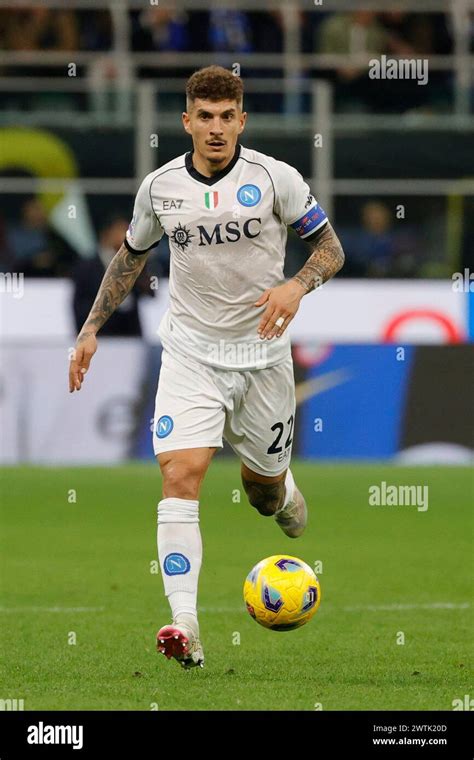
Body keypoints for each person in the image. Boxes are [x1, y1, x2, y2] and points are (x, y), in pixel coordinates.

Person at [68, 65, 344, 669]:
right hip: (190, 354)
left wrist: (296, 286)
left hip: (263, 359)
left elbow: (330, 248)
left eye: (227, 117)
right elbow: (129, 259)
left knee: (263, 495)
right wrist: (90, 329)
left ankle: (283, 488)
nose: (216, 128)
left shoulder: (278, 179)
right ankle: (184, 625)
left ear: (241, 120)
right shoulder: (160, 188)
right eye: (205, 117)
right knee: (182, 473)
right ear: (186, 120)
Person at [72, 216, 154, 337]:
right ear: (107, 234)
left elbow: (150, 293)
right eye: (122, 231)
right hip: (101, 335)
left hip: (131, 334)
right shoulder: (87, 266)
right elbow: (79, 303)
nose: (128, 236)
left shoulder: (134, 262)